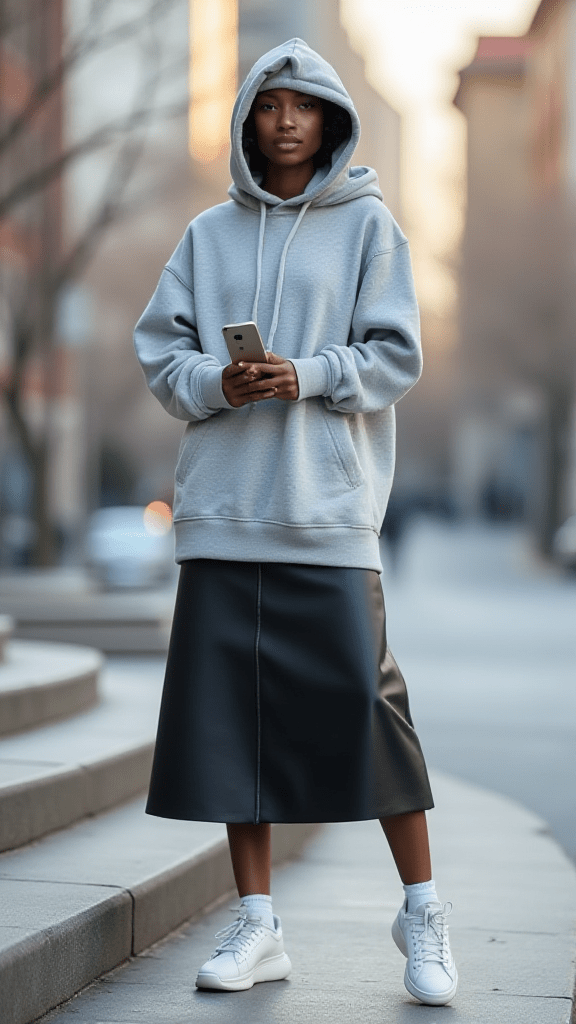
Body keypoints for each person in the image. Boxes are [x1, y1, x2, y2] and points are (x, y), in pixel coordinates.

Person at [133, 37, 458, 1007]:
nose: (285, 121)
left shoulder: (370, 227)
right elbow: (162, 356)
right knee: (234, 728)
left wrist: (307, 374)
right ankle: (258, 923)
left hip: (327, 513)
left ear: (330, 119)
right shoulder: (207, 235)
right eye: (270, 105)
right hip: (225, 515)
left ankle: (423, 910)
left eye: (303, 105)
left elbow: (396, 355)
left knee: (371, 711)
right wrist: (218, 383)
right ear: (247, 120)